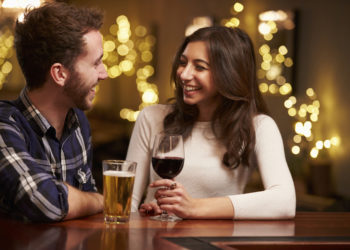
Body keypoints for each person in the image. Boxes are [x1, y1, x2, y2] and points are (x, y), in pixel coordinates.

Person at [126, 26, 296, 219]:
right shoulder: (152, 117)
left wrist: (193, 208)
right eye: (183, 63)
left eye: (200, 67)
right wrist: (147, 218)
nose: (184, 74)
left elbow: (285, 201)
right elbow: (126, 203)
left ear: (228, 74)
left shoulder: (259, 127)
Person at [0, 2, 108, 222]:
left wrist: (88, 201)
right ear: (60, 74)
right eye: (96, 63)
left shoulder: (78, 122)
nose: (104, 73)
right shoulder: (5, 126)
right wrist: (101, 201)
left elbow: (84, 206)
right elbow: (46, 203)